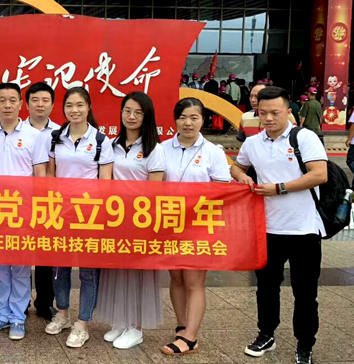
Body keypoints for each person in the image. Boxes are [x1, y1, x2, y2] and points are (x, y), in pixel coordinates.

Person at [231, 87, 327, 364]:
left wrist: (279, 188)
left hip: (304, 229)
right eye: (263, 113)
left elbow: (319, 174)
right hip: (267, 229)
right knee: (266, 287)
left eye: (275, 112)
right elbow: (237, 167)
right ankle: (266, 334)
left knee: (305, 293)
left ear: (288, 111)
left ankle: (305, 344)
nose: (269, 118)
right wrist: (242, 177)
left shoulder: (304, 138)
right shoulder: (253, 143)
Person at [160, 97, 231, 356]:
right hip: (169, 223)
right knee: (176, 277)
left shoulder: (213, 152)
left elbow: (222, 191)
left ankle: (191, 337)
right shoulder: (162, 149)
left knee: (194, 280)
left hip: (199, 226)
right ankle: (182, 327)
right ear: (175, 120)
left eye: (194, 117)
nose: (188, 123)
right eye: (182, 117)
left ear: (203, 120)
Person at [94, 91, 164, 350]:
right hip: (115, 218)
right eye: (127, 111)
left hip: (140, 220)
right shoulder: (112, 144)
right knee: (117, 270)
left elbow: (155, 191)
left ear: (147, 116)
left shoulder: (154, 149)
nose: (131, 116)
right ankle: (121, 321)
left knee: (138, 274)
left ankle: (137, 328)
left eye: (138, 112)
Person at [43, 87, 113, 348]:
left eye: (80, 105)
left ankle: (82, 323)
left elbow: (105, 182)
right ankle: (62, 313)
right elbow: (51, 176)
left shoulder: (101, 141)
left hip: (89, 214)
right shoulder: (56, 138)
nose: (75, 110)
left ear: (88, 107)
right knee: (59, 268)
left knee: (88, 271)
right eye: (70, 105)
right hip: (60, 213)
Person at [0, 82, 48, 341]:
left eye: (12, 100)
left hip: (23, 211)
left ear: (21, 104)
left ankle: (18, 317)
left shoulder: (34, 136)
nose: (7, 105)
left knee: (20, 266)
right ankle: (1, 315)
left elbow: (40, 175)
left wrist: (38, 211)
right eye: (2, 100)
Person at [24, 81, 60, 321]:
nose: (40, 104)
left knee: (46, 253)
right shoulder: (19, 130)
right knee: (22, 252)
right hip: (21, 201)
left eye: (45, 100)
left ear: (52, 105)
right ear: (26, 104)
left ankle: (45, 302)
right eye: (35, 100)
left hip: (50, 201)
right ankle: (22, 300)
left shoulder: (60, 133)